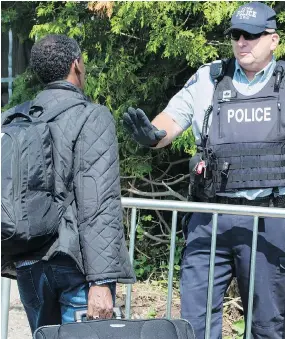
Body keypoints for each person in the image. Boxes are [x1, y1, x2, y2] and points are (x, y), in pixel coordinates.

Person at [123, 2, 285, 338]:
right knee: (194, 327)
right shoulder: (210, 78)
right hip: (210, 217)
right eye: (237, 35)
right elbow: (171, 121)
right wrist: (153, 136)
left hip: (270, 218)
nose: (243, 42)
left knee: (269, 326)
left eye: (253, 35)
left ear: (274, 40)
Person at [1, 34, 135, 334]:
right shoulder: (92, 117)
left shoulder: (14, 118)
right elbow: (98, 204)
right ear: (76, 65)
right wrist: (101, 282)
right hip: (76, 265)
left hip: (29, 263)